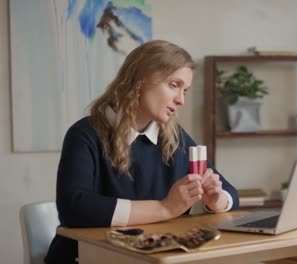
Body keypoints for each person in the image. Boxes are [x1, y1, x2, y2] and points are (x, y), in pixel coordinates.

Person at [45, 40, 239, 263]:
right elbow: (74, 207)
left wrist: (216, 200)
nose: (181, 100)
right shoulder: (84, 134)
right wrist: (164, 209)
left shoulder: (176, 137)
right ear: (141, 79)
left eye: (184, 90)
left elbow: (230, 192)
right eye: (173, 85)